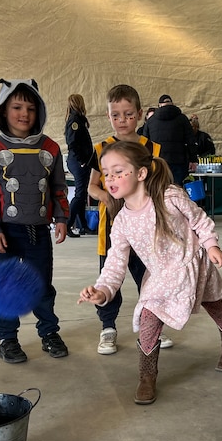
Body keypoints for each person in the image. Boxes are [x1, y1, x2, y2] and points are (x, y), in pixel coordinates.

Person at [78, 141, 222, 405]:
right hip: (160, 276)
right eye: (106, 173)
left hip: (192, 264)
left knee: (213, 303)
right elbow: (115, 262)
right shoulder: (120, 222)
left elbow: (199, 219)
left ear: (141, 173)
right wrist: (102, 290)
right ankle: (146, 375)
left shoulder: (170, 196)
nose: (110, 179)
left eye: (118, 171)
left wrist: (212, 246)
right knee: (148, 319)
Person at [0, 78, 70, 364]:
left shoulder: (50, 148)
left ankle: (49, 333)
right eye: (17, 107)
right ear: (3, 110)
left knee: (42, 285)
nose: (24, 114)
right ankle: (7, 339)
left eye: (30, 107)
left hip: (38, 232)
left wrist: (62, 219)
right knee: (6, 287)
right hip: (5, 233)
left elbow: (58, 188)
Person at [86, 84, 173, 355]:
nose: (122, 121)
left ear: (138, 113)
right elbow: (91, 186)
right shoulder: (101, 148)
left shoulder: (152, 148)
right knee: (110, 277)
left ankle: (154, 326)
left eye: (128, 114)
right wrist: (108, 197)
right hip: (113, 228)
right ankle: (108, 328)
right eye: (116, 115)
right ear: (108, 116)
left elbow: (161, 183)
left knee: (149, 278)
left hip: (147, 229)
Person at [143, 94, 197, 186]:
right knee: (177, 189)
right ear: (172, 104)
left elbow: (145, 143)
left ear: (159, 105)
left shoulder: (150, 121)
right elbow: (191, 140)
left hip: (158, 162)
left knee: (159, 189)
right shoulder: (182, 118)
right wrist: (193, 159)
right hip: (179, 161)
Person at [64, 94, 93, 238]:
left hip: (80, 160)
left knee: (82, 194)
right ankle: (67, 224)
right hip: (78, 161)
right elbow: (72, 142)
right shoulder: (75, 120)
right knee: (80, 194)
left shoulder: (78, 119)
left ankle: (83, 226)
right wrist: (82, 160)